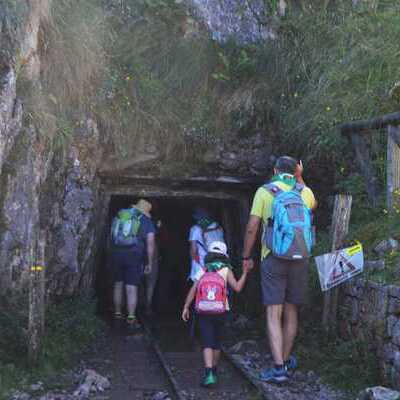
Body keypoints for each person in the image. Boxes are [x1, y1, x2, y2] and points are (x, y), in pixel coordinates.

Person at [241, 156, 317, 383]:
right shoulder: (304, 192)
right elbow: (313, 207)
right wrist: (300, 176)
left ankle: (277, 368)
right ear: (295, 171)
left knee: (274, 313)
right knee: (292, 310)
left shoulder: (264, 192)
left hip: (273, 257)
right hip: (300, 258)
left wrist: (246, 256)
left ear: (274, 170)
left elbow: (253, 227)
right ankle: (284, 361)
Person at [182, 241, 250, 387]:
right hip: (221, 311)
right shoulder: (226, 270)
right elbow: (237, 288)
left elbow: (193, 290)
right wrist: (245, 273)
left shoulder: (203, 270)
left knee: (206, 342)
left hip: (203, 311)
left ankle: (208, 374)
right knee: (217, 343)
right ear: (224, 255)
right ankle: (214, 370)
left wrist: (186, 307)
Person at [110, 199, 156, 327]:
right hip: (134, 255)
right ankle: (131, 318)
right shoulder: (146, 221)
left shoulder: (121, 215)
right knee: (131, 287)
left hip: (116, 253)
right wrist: (150, 263)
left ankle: (117, 314)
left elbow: (112, 235)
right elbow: (150, 244)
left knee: (118, 284)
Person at [188, 207, 225, 282]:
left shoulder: (195, 229)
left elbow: (193, 251)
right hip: (220, 265)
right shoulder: (218, 227)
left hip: (203, 267)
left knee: (203, 289)